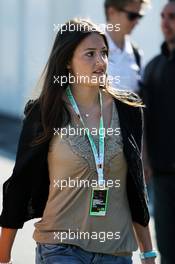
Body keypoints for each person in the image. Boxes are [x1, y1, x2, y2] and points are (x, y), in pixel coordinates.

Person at [0, 19, 157, 264]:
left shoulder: (128, 110)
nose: (100, 62)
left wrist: (148, 252)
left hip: (117, 252)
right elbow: (20, 182)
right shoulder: (45, 112)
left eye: (104, 53)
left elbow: (135, 187)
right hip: (61, 249)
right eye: (90, 54)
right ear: (67, 61)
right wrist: (3, 255)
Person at [140, 1, 175, 263]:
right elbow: (144, 120)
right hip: (164, 178)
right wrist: (145, 160)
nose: (165, 22)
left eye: (172, 17)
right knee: (168, 246)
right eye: (163, 16)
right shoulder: (152, 68)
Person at [104, 0, 150, 92]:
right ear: (111, 12)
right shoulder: (89, 47)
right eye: (132, 16)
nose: (137, 22)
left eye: (139, 16)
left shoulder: (136, 53)